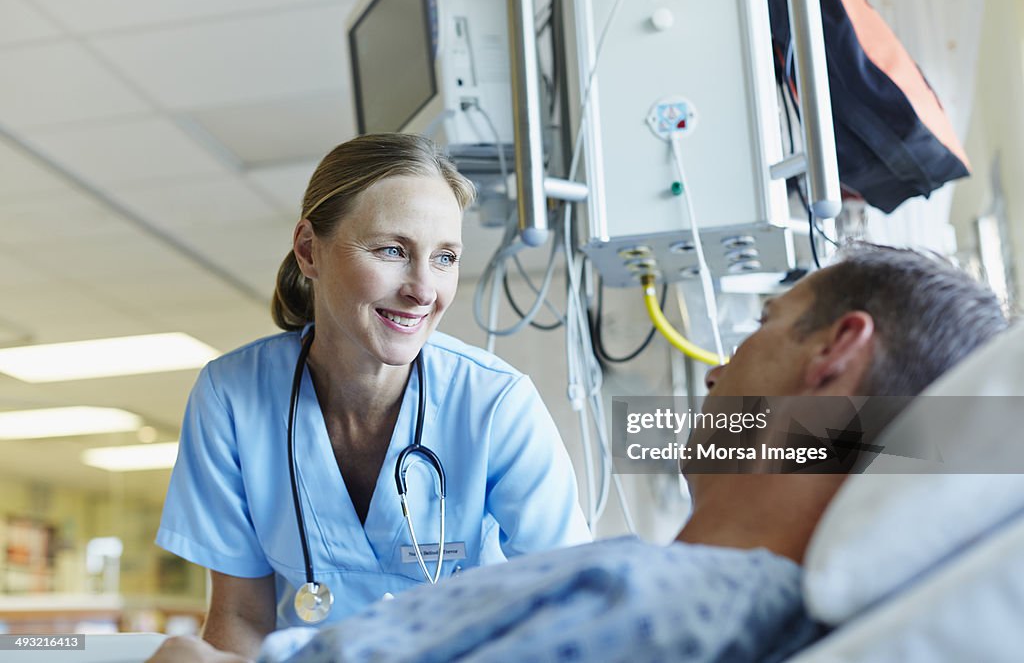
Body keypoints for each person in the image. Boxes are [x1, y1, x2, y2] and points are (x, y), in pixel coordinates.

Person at [149, 244, 1008, 662]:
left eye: (760, 327)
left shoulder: (656, 599)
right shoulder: (702, 594)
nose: (715, 369)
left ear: (835, 356)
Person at [156, 134, 591, 658]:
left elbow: (574, 607)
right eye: (392, 250)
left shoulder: (494, 403)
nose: (424, 289)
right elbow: (239, 617)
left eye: (445, 258)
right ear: (308, 250)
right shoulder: (231, 397)